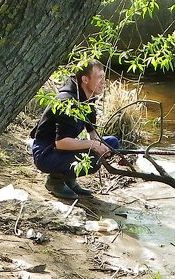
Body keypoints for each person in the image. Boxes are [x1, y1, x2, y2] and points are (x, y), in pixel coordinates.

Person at [30, 61, 121, 200]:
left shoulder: (87, 100)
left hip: (61, 149)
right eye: (100, 77)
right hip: (46, 154)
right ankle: (55, 181)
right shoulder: (68, 103)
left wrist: (102, 146)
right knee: (94, 158)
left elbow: (92, 133)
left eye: (104, 77)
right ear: (85, 79)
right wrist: (93, 145)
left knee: (112, 143)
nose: (104, 82)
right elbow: (61, 143)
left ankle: (69, 178)